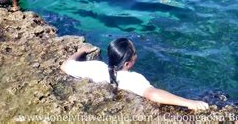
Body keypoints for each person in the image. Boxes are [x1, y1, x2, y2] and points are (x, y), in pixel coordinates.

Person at [61, 38, 209, 111]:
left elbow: (65, 66)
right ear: (128, 64)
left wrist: (81, 51)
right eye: (135, 54)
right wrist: (189, 102)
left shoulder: (96, 67)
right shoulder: (133, 79)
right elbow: (153, 94)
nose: (137, 55)